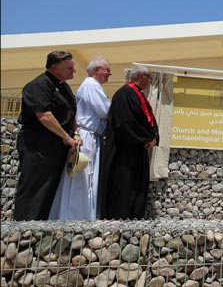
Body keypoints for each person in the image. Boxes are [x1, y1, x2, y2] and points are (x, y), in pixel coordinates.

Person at [13, 51, 83, 220]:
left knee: (50, 186)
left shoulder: (63, 86)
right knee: (34, 185)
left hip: (57, 143)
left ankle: (42, 225)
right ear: (54, 68)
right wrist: (66, 136)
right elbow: (44, 115)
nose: (73, 71)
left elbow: (70, 112)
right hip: (38, 143)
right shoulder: (39, 85)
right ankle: (24, 226)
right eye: (69, 68)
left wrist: (75, 133)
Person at [49, 57, 112, 220]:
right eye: (107, 70)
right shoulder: (91, 85)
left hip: (91, 136)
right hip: (87, 137)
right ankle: (78, 216)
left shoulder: (90, 85)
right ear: (97, 70)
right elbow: (105, 111)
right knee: (84, 178)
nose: (110, 74)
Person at [98, 65, 159, 219]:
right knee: (124, 185)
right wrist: (146, 137)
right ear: (139, 76)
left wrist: (154, 137)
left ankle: (135, 218)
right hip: (125, 151)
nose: (150, 82)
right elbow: (126, 123)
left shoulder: (138, 94)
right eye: (149, 78)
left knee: (137, 185)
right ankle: (121, 218)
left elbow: (147, 119)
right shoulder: (124, 94)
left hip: (138, 148)